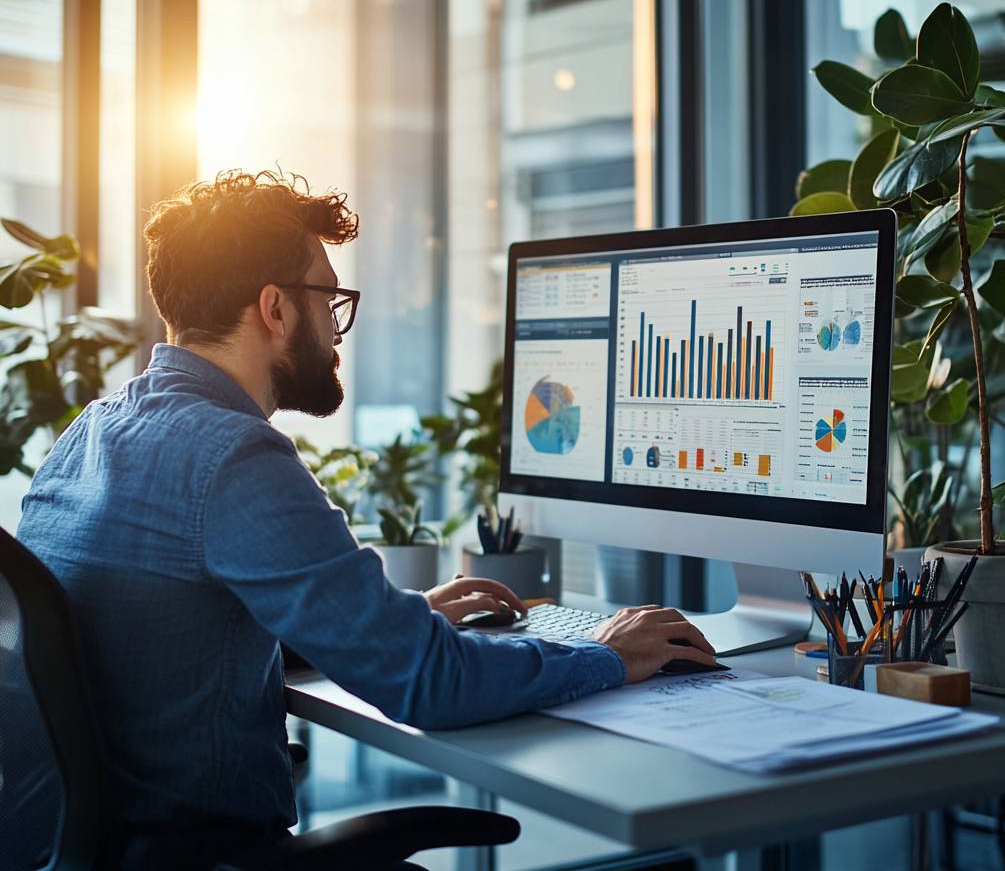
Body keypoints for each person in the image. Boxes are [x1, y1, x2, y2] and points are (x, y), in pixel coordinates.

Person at [16, 171, 717, 866]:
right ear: (276, 310)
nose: (337, 325)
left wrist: (385, 620)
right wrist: (607, 656)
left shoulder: (93, 431)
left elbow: (161, 638)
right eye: (329, 299)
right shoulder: (231, 456)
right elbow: (426, 684)